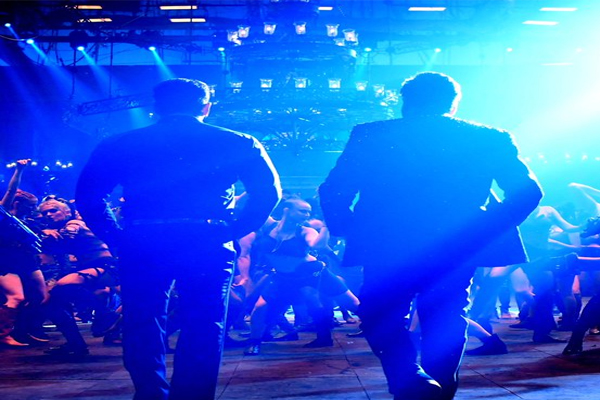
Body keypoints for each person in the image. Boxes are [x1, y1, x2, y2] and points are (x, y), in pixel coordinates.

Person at [319, 71, 543, 400]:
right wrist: (483, 231)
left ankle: (411, 380)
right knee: (446, 318)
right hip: (456, 246)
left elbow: (334, 190)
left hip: (387, 244)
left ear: (405, 101)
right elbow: (529, 193)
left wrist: (348, 229)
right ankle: (436, 392)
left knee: (379, 314)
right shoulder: (488, 137)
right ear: (453, 103)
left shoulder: (371, 134)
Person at [75, 78, 281, 400]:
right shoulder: (238, 141)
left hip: (144, 239)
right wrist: (233, 230)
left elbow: (89, 196)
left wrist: (115, 236)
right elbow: (269, 194)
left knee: (142, 320)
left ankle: (151, 394)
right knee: (204, 322)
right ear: (206, 107)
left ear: (156, 107)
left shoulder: (119, 143)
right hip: (206, 238)